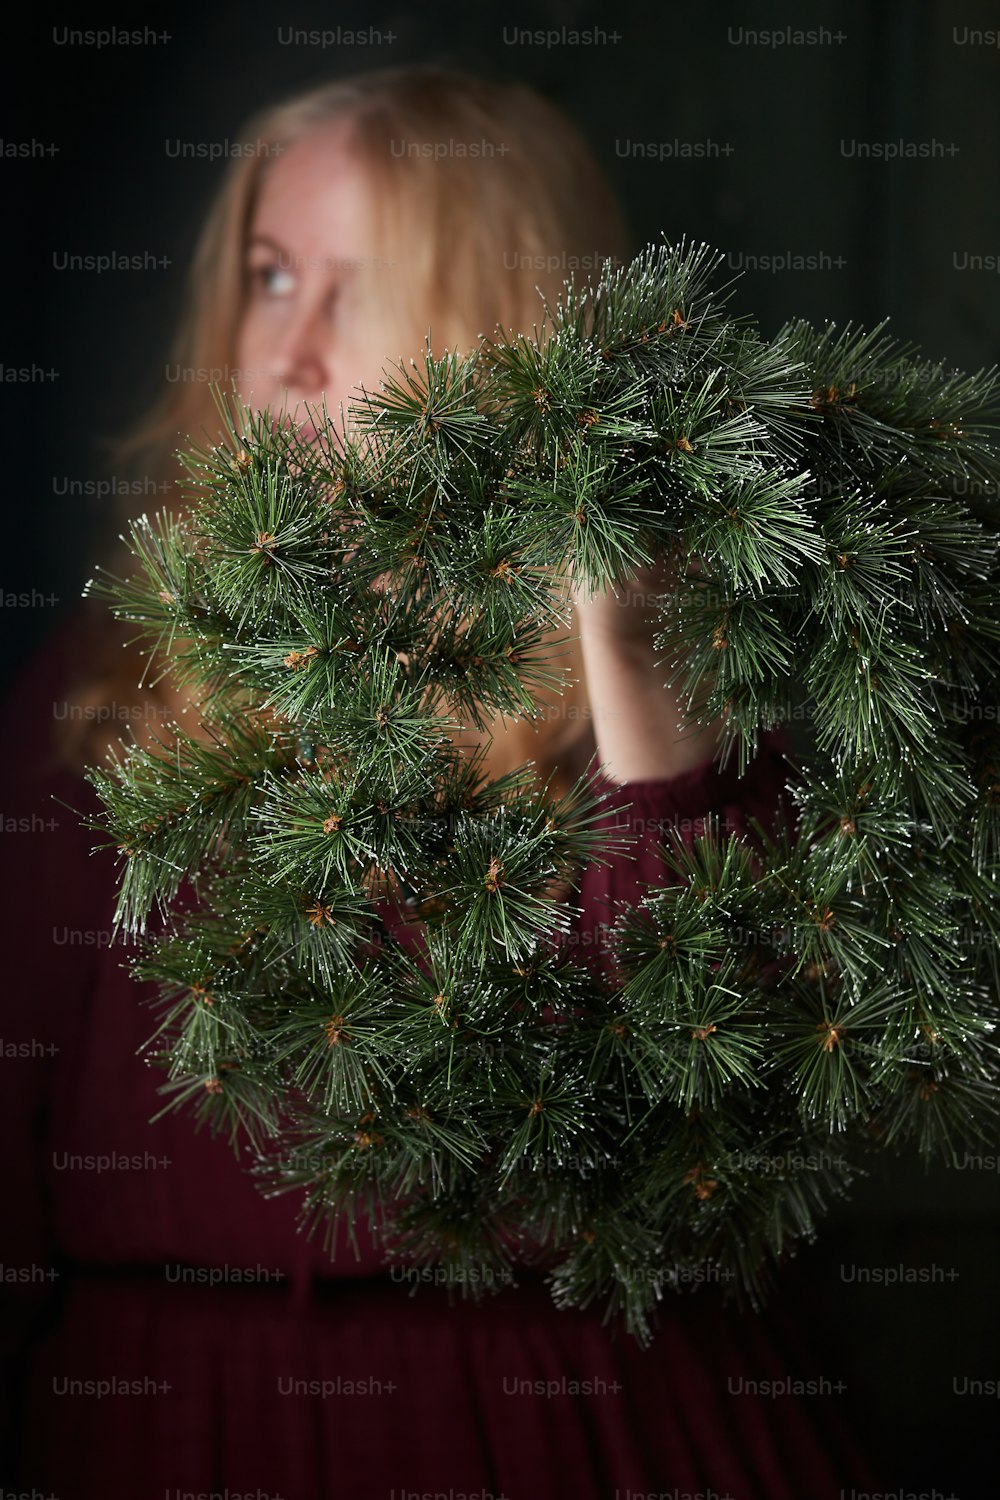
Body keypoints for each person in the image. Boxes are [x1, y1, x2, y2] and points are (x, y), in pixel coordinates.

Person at [0, 66, 877, 1499]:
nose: (283, 352)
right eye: (272, 277)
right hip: (165, 1423)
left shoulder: (654, 668)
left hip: (590, 1419)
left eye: (364, 287)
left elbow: (725, 1119)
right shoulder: (115, 680)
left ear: (508, 329)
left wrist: (633, 665)